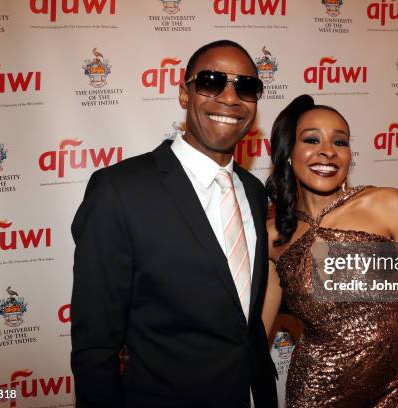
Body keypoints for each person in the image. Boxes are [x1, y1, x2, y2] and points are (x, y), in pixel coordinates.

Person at [71, 40, 277, 408]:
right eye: (212, 81)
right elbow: (95, 347)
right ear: (185, 94)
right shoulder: (119, 190)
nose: (230, 98)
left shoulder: (254, 191)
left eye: (246, 87)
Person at [262, 94, 398, 407]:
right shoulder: (274, 234)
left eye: (340, 142)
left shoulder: (388, 205)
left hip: (396, 391)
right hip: (315, 394)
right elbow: (255, 335)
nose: (328, 151)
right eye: (311, 139)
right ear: (288, 153)